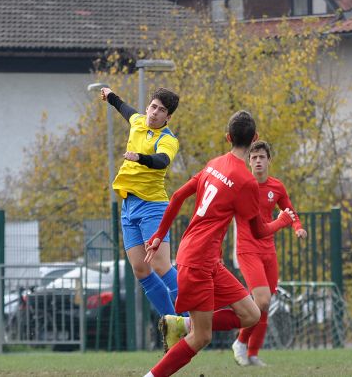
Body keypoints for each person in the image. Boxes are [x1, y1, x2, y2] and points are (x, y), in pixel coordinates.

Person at [142, 110, 297, 377]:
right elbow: (259, 231)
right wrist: (282, 221)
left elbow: (178, 196)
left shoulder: (215, 163)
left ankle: (184, 323)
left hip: (208, 258)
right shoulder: (246, 181)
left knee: (251, 314)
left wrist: (159, 235)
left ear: (228, 138)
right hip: (198, 261)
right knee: (202, 337)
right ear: (255, 139)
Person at [99, 86, 181, 316]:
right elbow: (124, 108)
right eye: (153, 107)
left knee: (161, 265)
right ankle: (172, 323)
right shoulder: (138, 121)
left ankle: (193, 319)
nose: (155, 112)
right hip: (129, 206)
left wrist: (140, 158)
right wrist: (110, 95)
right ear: (148, 107)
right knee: (141, 269)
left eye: (161, 110)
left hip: (153, 206)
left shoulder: (168, 139)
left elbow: (162, 160)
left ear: (168, 117)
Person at [231, 140, 307, 367]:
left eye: (261, 157)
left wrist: (298, 227)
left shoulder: (277, 187)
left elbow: (289, 211)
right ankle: (240, 343)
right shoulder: (242, 187)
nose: (257, 161)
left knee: (266, 302)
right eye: (253, 158)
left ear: (268, 160)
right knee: (261, 300)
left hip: (268, 251)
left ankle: (252, 354)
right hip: (247, 250)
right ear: (249, 161)